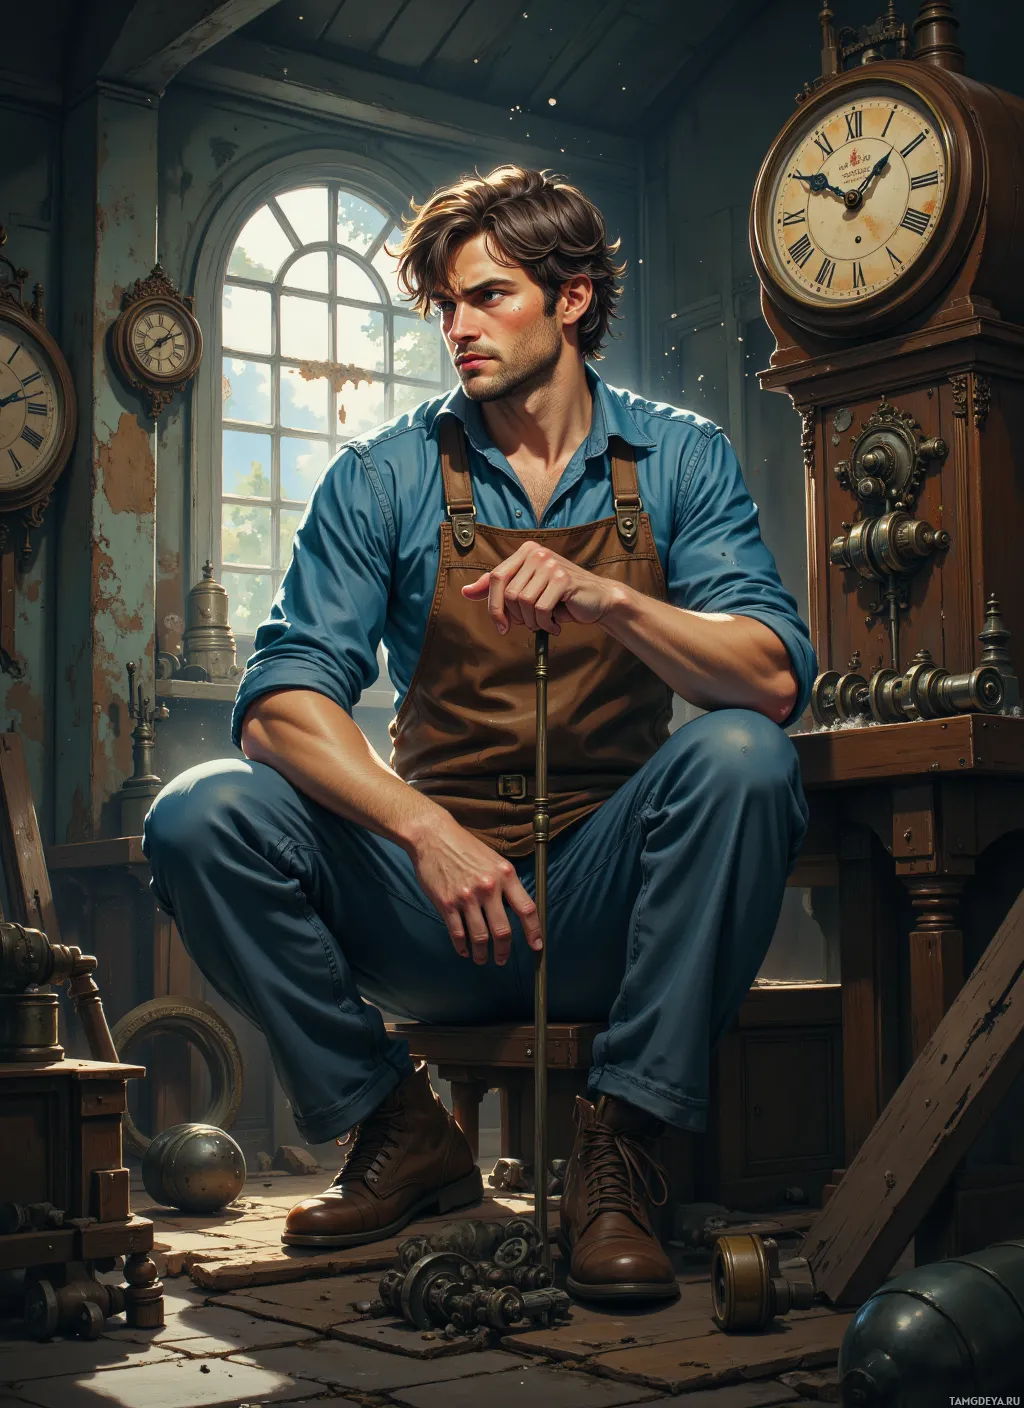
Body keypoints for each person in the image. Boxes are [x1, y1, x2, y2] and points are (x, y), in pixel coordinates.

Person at [143, 165, 814, 1304]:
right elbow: (280, 703)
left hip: (608, 898)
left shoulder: (682, 459)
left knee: (744, 757)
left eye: (488, 296)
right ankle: (394, 1126)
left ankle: (624, 1154)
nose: (456, 327)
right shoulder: (384, 476)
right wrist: (424, 830)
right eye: (445, 304)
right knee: (199, 812)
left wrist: (613, 601)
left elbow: (770, 677)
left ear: (571, 298)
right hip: (437, 911)